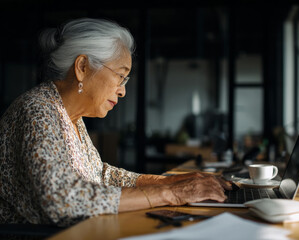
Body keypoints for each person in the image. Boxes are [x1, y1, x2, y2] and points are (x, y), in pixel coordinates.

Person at [0, 18, 230, 227]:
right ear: (82, 67)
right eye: (120, 76)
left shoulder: (69, 116)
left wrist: (169, 182)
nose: (122, 91)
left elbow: (101, 176)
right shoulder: (37, 110)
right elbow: (60, 198)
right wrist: (172, 193)